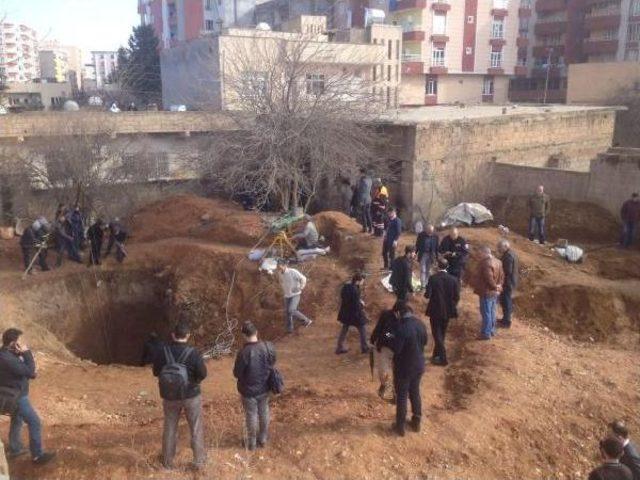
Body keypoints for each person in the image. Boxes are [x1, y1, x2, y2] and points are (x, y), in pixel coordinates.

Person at [152, 322, 207, 470]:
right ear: (188, 335)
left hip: (170, 396)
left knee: (170, 427)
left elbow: (156, 372)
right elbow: (203, 374)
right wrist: (194, 381)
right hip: (191, 395)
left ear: (173, 335)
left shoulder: (163, 352)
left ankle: (168, 462)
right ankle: (199, 461)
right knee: (195, 427)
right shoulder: (193, 353)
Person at [0, 328, 56, 465]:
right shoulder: (8, 359)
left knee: (17, 419)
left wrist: (21, 355)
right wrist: (26, 353)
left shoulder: (5, 354)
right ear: (13, 343)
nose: (23, 343)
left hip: (12, 393)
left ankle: (15, 448)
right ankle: (37, 456)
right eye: (20, 341)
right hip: (17, 396)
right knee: (35, 422)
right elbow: (31, 373)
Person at [233, 321, 276, 451]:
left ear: (244, 336)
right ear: (256, 332)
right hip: (265, 387)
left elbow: (236, 373)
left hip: (248, 391)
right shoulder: (268, 346)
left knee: (251, 415)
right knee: (264, 412)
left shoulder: (243, 353)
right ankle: (262, 439)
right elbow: (272, 362)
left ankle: (251, 443)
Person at [391, 301, 427, 437]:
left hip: (404, 367)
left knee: (401, 396)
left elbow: (396, 348)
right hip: (419, 365)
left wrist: (389, 336)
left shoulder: (401, 328)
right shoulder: (421, 324)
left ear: (399, 313)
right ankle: (416, 422)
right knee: (415, 393)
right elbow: (425, 342)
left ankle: (400, 426)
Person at [425, 257, 460, 366]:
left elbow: (427, 295)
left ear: (437, 266)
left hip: (435, 310)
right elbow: (457, 297)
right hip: (448, 310)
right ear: (447, 266)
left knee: (437, 334)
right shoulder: (454, 279)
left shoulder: (433, 278)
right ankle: (436, 355)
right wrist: (452, 305)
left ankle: (443, 358)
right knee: (442, 333)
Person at [473, 246, 504, 341]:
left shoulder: (486, 263)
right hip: (495, 292)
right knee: (492, 311)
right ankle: (492, 330)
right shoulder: (498, 261)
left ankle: (486, 333)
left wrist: (495, 286)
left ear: (485, 253)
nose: (480, 255)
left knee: (486, 313)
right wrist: (499, 286)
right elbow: (502, 275)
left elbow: (488, 278)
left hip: (486, 291)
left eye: (481, 253)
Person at [336, 273, 369, 354]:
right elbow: (356, 305)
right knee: (362, 328)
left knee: (344, 329)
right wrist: (361, 306)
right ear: (358, 280)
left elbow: (346, 298)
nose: (363, 282)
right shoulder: (354, 290)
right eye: (362, 280)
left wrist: (358, 300)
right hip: (354, 314)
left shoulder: (346, 286)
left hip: (345, 312)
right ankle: (364, 348)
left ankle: (339, 347)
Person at [276, 260, 313, 334]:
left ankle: (307, 321)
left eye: (280, 265)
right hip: (287, 295)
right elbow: (281, 282)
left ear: (285, 265)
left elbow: (303, 278)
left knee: (291, 310)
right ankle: (289, 329)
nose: (278, 267)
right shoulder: (279, 273)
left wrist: (300, 288)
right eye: (278, 265)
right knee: (287, 313)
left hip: (295, 295)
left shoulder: (292, 272)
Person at [370, 308, 397, 402]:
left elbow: (384, 333)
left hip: (392, 348)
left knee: (391, 372)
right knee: (385, 371)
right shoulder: (387, 316)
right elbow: (383, 331)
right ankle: (386, 386)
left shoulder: (405, 320)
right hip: (386, 347)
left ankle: (392, 391)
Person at [497, 239, 518, 329]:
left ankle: (507, 321)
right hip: (511, 281)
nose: (498, 249)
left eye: (499, 247)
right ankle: (505, 319)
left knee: (506, 301)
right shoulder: (512, 253)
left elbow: (507, 270)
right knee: (506, 300)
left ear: (505, 246)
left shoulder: (508, 256)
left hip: (507, 282)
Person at [416, 224, 439, 289]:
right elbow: (417, 245)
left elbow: (437, 248)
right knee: (423, 270)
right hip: (423, 254)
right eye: (428, 232)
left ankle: (427, 283)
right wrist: (415, 253)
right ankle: (423, 285)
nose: (430, 233)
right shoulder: (421, 235)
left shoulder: (435, 236)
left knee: (428, 270)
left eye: (431, 232)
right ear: (426, 230)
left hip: (431, 255)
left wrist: (437, 258)